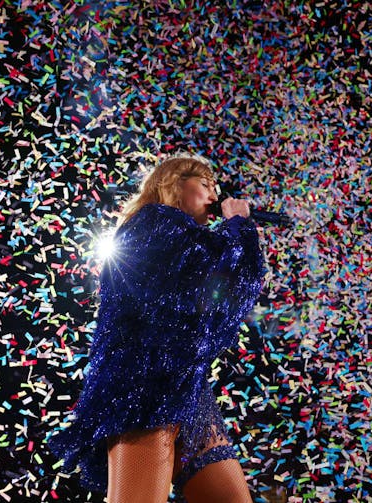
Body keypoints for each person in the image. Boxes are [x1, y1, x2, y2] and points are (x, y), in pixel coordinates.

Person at [48, 155, 265, 502]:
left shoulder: (182, 234)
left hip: (185, 385)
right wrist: (237, 224)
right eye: (205, 184)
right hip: (143, 379)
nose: (214, 194)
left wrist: (236, 230)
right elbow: (202, 271)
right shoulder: (152, 223)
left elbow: (219, 293)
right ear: (173, 182)